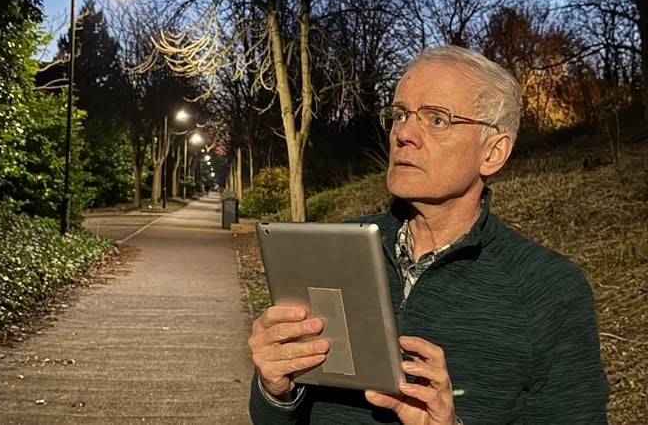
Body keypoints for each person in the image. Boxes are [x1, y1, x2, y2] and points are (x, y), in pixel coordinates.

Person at [247, 45, 609, 424]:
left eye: (437, 120)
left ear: (493, 152)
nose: (404, 133)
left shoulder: (548, 290)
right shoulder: (329, 250)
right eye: (400, 114)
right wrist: (276, 391)